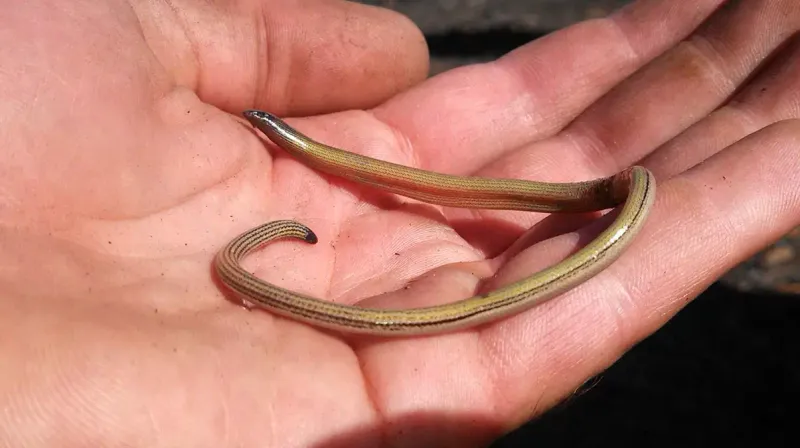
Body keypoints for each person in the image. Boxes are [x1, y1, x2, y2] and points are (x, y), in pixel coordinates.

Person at [1, 0, 798, 445]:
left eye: (268, 128)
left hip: (618, 190)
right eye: (269, 128)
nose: (261, 126)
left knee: (616, 193)